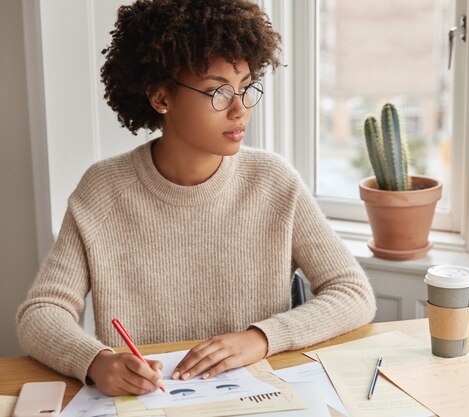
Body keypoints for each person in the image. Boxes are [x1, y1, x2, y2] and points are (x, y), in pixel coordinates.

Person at [16, 0, 376, 397]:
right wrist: (96, 361)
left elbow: (352, 293)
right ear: (161, 98)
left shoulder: (273, 182)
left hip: (254, 399)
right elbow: (41, 312)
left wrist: (261, 337)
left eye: (245, 89)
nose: (240, 110)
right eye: (217, 92)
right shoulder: (103, 190)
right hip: (148, 401)